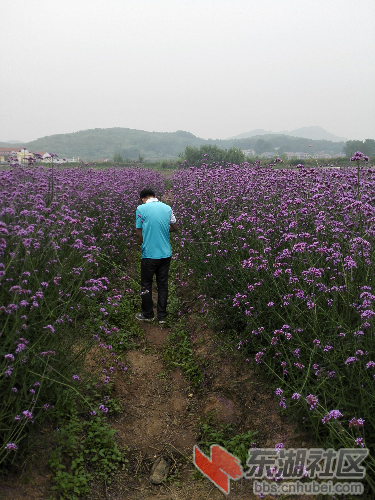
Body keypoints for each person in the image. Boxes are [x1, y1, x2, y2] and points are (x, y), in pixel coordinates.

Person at [135, 188, 178, 324]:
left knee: (146, 284)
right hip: (166, 254)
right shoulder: (167, 208)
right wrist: (163, 229)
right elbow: (175, 227)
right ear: (155, 196)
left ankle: (148, 315)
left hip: (149, 254)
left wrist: (145, 240)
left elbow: (138, 230)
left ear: (142, 198)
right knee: (163, 285)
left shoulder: (141, 209)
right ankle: (162, 317)